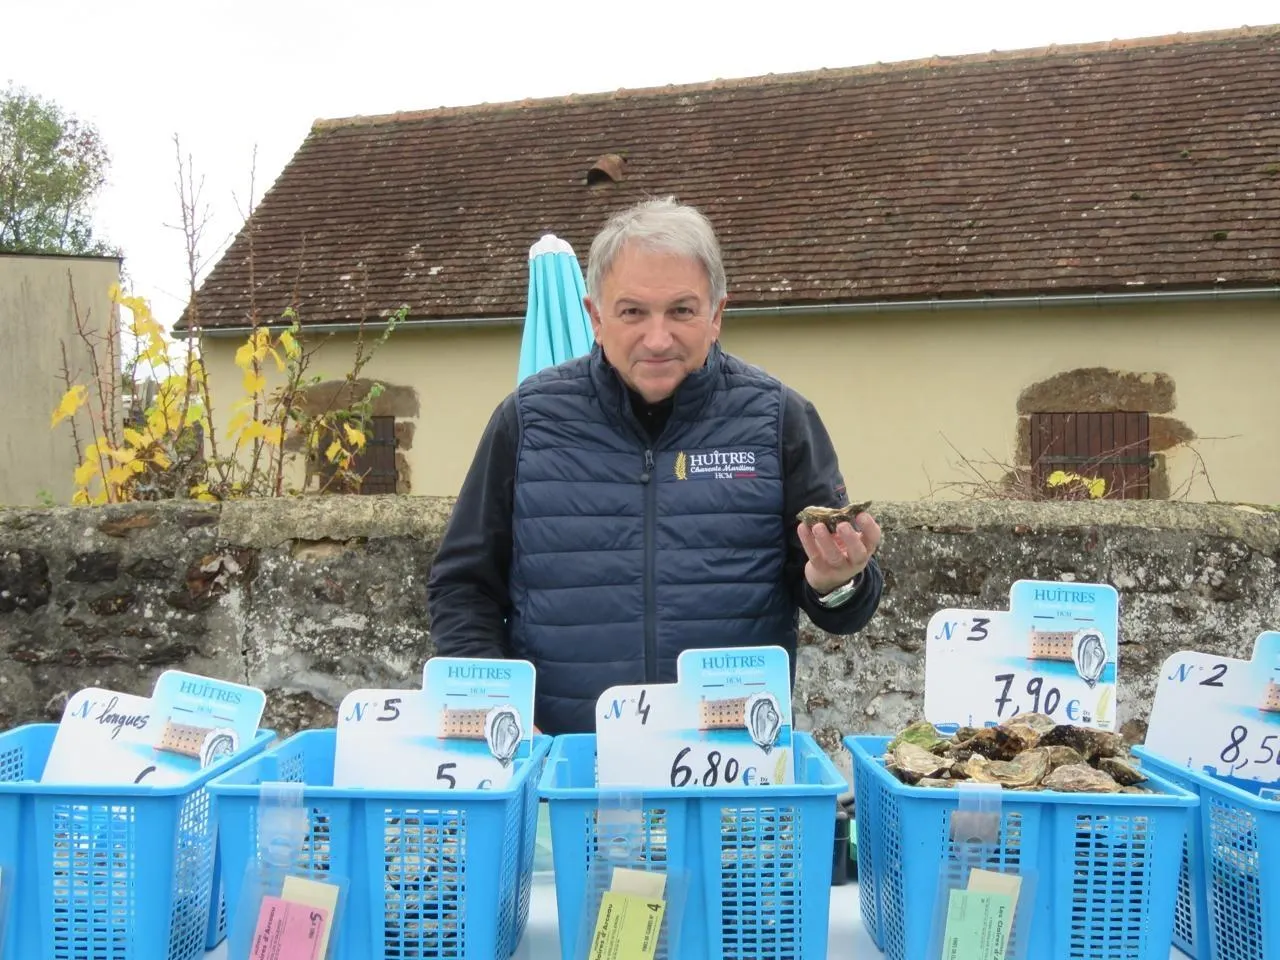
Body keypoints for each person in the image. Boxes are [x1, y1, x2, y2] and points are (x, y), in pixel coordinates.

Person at [426, 197, 883, 735]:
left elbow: (844, 608)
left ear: (717, 315)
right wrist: (499, 712)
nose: (658, 338)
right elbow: (463, 586)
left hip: (732, 756)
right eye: (632, 312)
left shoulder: (780, 418)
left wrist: (837, 582)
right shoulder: (527, 420)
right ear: (596, 317)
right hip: (565, 759)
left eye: (682, 311)